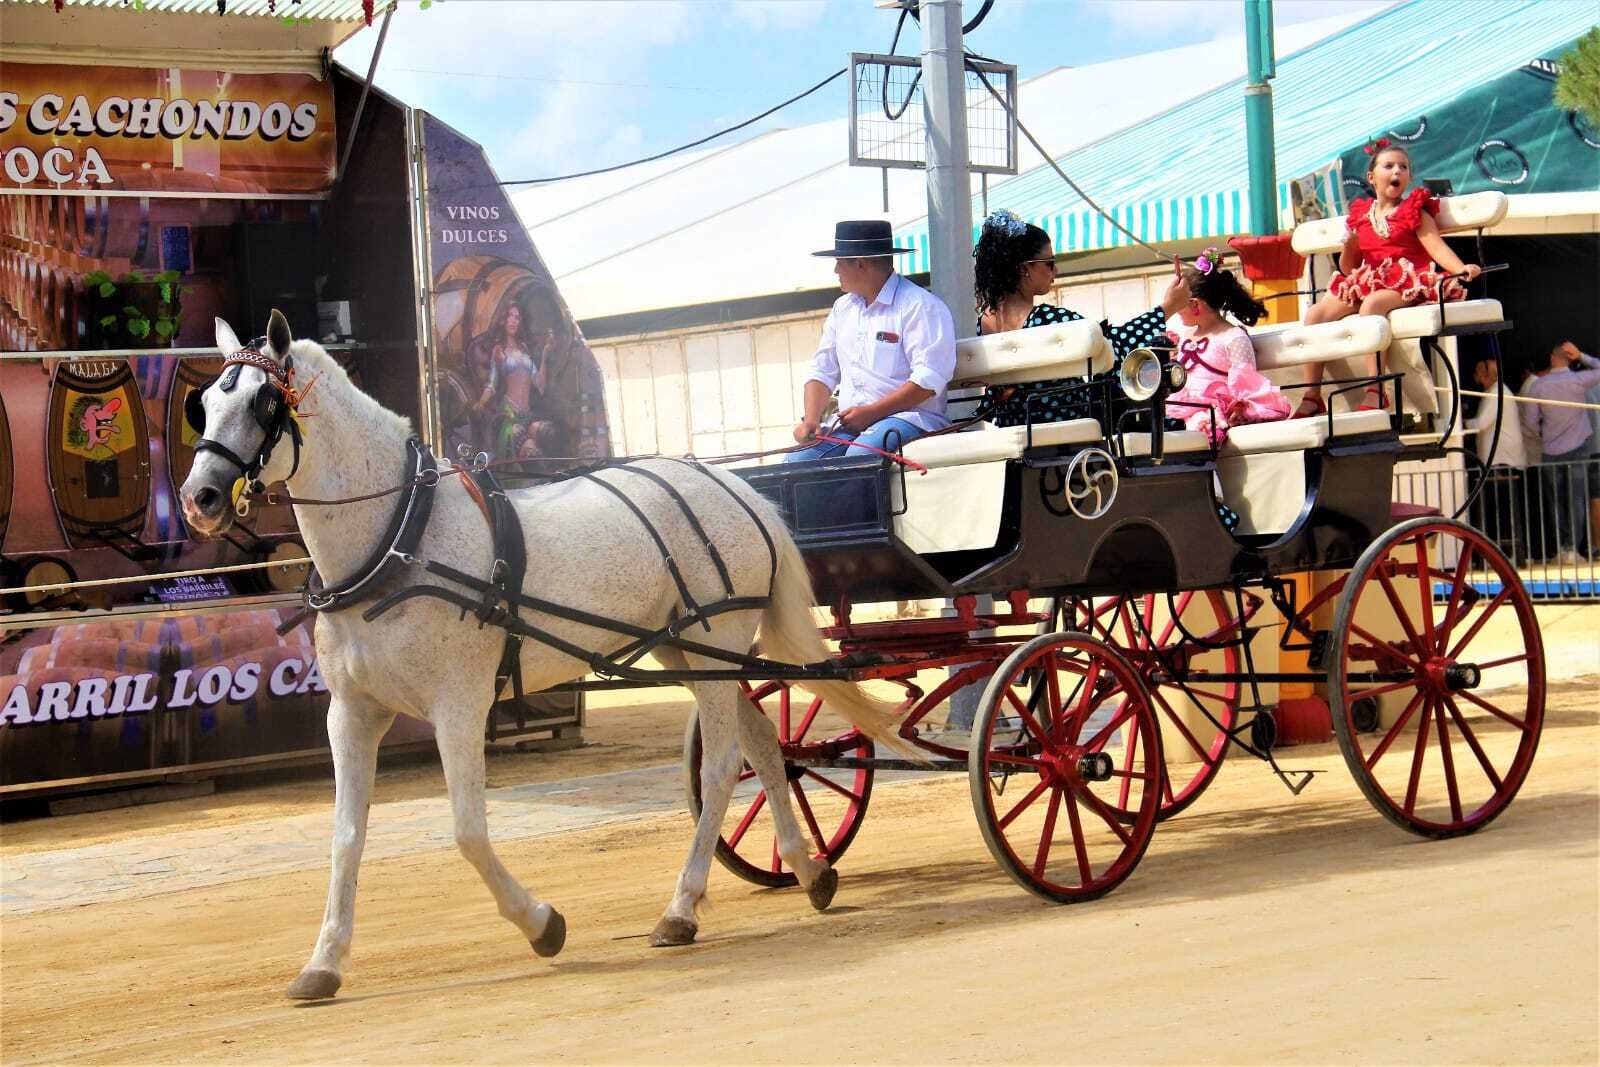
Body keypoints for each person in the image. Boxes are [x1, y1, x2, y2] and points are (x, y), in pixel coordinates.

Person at [1295, 140, 1482, 416]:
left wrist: (1460, 267)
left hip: (1406, 279)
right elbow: (1348, 268)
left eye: (1403, 167)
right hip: (1368, 279)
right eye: (1389, 166)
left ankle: (1377, 389)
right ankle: (1312, 395)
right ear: (1371, 177)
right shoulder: (1361, 216)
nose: (1397, 171)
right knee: (1314, 315)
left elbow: (1435, 247)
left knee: (1372, 306)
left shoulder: (1413, 210)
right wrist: (1348, 244)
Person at [972, 209, 1190, 426]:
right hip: (1063, 424)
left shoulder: (981, 326)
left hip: (1004, 424)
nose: (1055, 270)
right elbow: (1116, 345)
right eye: (1049, 262)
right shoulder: (1049, 320)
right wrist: (1168, 308)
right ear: (1024, 268)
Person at [788, 220, 956, 461]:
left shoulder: (920, 306)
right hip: (854, 424)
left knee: (861, 457)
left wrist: (873, 412)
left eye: (839, 262)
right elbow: (822, 370)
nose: (836, 271)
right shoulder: (842, 308)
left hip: (911, 419)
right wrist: (812, 420)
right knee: (797, 462)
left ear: (860, 263)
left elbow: (928, 379)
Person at [1164, 249, 1290, 443]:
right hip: (1179, 409)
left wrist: (1237, 409)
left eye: (1179, 304)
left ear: (1195, 305)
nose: (1176, 312)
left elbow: (1246, 386)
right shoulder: (1187, 336)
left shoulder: (1233, 337)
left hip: (1213, 414)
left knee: (1201, 427)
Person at [1520, 340, 1600, 564]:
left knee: (1555, 502)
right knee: (1576, 500)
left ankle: (1562, 550)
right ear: (1568, 358)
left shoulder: (1539, 386)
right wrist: (1582, 356)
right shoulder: (1578, 380)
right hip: (1578, 449)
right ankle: (1573, 549)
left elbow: (1529, 422)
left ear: (1552, 359)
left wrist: (1543, 434)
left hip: (1550, 450)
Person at [1465, 357, 1531, 561]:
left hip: (1503, 461)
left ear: (1485, 375)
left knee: (1501, 512)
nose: (1475, 378)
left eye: (1478, 373)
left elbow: (1482, 423)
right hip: (1499, 460)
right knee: (1499, 511)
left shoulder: (1496, 395)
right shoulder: (1494, 393)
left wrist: (1461, 422)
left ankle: (1503, 556)